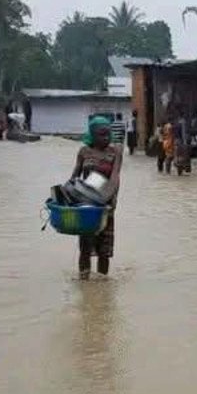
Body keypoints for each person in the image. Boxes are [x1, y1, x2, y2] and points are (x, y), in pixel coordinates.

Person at [71, 116, 123, 279]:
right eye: (101, 135)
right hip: (86, 205)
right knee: (85, 247)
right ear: (92, 135)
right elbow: (75, 177)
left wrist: (109, 200)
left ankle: (102, 282)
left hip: (106, 204)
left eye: (108, 134)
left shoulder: (115, 152)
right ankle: (84, 280)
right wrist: (66, 197)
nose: (106, 138)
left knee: (104, 250)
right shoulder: (84, 152)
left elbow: (115, 177)